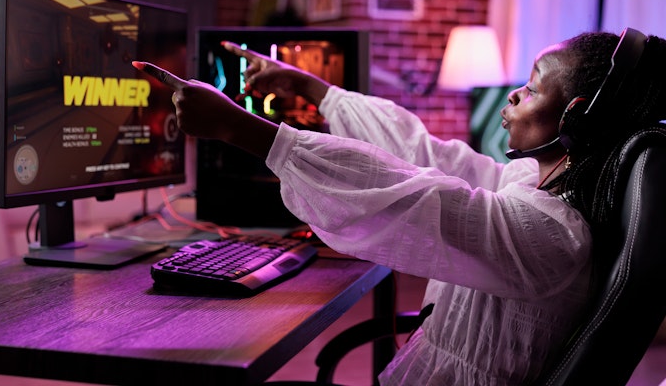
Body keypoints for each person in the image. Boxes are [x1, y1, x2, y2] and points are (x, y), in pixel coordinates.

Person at [134, 28, 666, 385]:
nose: (510, 97)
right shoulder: (533, 182)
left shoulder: (551, 237)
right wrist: (315, 91)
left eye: (528, 91)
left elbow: (419, 198)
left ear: (574, 117)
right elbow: (428, 157)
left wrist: (244, 129)